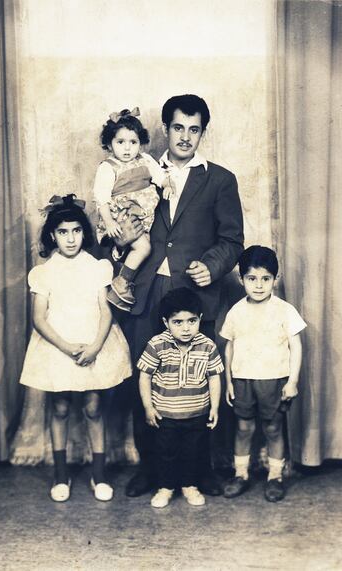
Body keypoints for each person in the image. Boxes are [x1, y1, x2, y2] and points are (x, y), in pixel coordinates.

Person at [119, 94, 244, 498]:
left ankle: (202, 469)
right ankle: (152, 470)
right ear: (165, 130)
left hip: (194, 293)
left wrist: (212, 264)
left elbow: (232, 239)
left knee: (200, 381)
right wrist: (120, 243)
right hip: (147, 289)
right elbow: (121, 222)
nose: (185, 137)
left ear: (202, 132)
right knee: (148, 376)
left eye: (194, 129)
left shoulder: (220, 179)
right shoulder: (141, 172)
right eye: (178, 128)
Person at [18, 194, 132, 503]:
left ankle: (99, 475)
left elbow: (106, 310)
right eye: (63, 232)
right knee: (61, 408)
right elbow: (39, 318)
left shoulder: (97, 268)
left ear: (85, 233)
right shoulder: (44, 272)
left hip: (93, 344)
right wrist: (68, 347)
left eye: (77, 231)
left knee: (94, 409)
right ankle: (60, 475)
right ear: (52, 236)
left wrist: (95, 346)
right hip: (60, 346)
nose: (71, 238)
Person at [220, 245, 306, 502]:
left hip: (274, 380)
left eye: (265, 279)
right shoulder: (237, 311)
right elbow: (229, 346)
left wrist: (292, 381)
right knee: (244, 428)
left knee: (273, 428)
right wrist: (229, 383)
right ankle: (241, 474)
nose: (259, 285)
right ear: (241, 279)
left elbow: (296, 346)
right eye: (252, 278)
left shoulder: (284, 310)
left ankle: (275, 476)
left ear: (275, 280)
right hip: (243, 379)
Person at [137, 288, 223, 508]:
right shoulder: (157, 345)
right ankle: (165, 487)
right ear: (166, 322)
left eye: (191, 321)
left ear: (200, 319)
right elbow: (144, 376)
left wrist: (214, 407)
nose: (186, 328)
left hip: (197, 413)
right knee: (166, 453)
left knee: (192, 452)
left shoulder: (207, 345)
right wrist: (148, 407)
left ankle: (189, 485)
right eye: (178, 322)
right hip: (165, 414)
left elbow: (214, 377)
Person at [93, 107, 175, 311]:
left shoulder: (146, 160)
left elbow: (160, 176)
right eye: (120, 142)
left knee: (144, 246)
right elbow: (101, 199)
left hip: (142, 217)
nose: (127, 148)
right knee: (143, 247)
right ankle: (122, 282)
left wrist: (167, 185)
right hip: (120, 216)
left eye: (133, 142)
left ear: (141, 142)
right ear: (110, 144)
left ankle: (121, 284)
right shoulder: (107, 167)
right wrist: (110, 222)